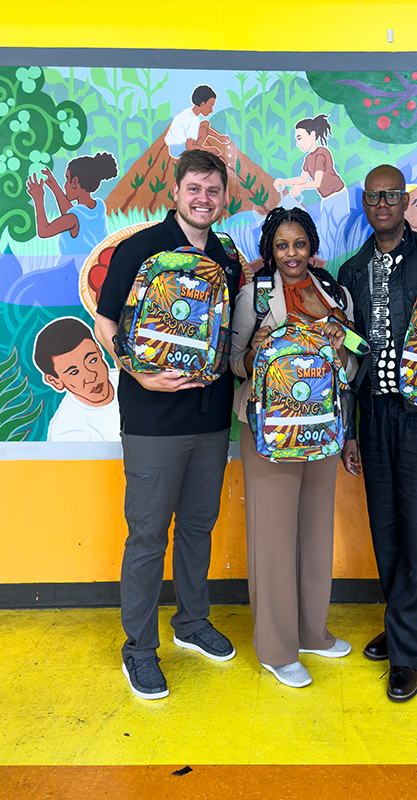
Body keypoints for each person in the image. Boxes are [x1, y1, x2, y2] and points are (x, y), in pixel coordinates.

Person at [94, 150, 243, 700]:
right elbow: (106, 319)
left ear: (224, 198)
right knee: (149, 535)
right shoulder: (137, 249)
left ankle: (192, 623)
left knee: (200, 526)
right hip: (154, 418)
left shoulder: (227, 259)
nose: (203, 199)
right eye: (194, 189)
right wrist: (135, 370)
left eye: (213, 190)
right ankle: (139, 650)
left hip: (212, 416)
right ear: (175, 192)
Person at [338, 165, 417, 703]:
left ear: (405, 200)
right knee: (385, 530)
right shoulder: (352, 270)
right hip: (374, 413)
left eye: (392, 195)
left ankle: (409, 654)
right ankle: (399, 623)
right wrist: (348, 430)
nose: (382, 203)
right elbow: (345, 356)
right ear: (365, 204)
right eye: (373, 197)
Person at [229, 207, 356, 689]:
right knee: (273, 535)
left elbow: (351, 367)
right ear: (270, 250)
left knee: (314, 529)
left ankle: (310, 632)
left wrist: (342, 342)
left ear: (312, 246)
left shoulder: (335, 296)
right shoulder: (253, 298)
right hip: (268, 430)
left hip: (322, 428)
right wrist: (255, 350)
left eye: (299, 244)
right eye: (281, 245)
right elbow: (233, 366)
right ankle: (277, 647)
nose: (291, 254)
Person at [26, 152, 118, 274]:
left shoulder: (73, 218)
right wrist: (54, 186)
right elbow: (73, 213)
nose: (65, 184)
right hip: (93, 271)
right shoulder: (98, 206)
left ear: (74, 182)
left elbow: (44, 231)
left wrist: (38, 198)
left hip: (73, 271)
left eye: (67, 179)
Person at [274, 115, 349, 262]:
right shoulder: (309, 158)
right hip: (327, 198)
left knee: (337, 233)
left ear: (312, 135)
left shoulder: (322, 153)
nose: (297, 143)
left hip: (338, 196)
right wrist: (284, 181)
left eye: (300, 138)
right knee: (325, 232)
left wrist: (300, 188)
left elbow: (317, 182)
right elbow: (303, 179)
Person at [33, 317, 119, 442]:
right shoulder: (68, 433)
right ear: (54, 381)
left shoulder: (131, 382)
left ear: (99, 351)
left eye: (92, 360)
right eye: (74, 372)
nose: (91, 377)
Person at [165, 85, 231, 159]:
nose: (211, 111)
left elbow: (201, 129)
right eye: (210, 106)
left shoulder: (190, 112)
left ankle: (197, 152)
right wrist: (208, 150)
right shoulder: (193, 120)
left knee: (205, 124)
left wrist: (218, 137)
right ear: (202, 104)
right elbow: (189, 146)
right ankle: (195, 155)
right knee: (203, 130)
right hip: (178, 149)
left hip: (175, 146)